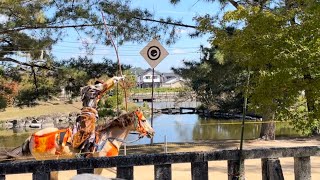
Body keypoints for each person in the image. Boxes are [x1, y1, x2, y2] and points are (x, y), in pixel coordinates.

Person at [71, 76, 125, 154]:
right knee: (90, 133)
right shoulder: (93, 90)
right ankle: (84, 153)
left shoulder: (90, 90)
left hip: (86, 114)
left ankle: (86, 150)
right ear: (98, 85)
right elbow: (105, 86)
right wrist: (116, 78)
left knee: (91, 133)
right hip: (88, 116)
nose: (101, 93)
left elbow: (105, 88)